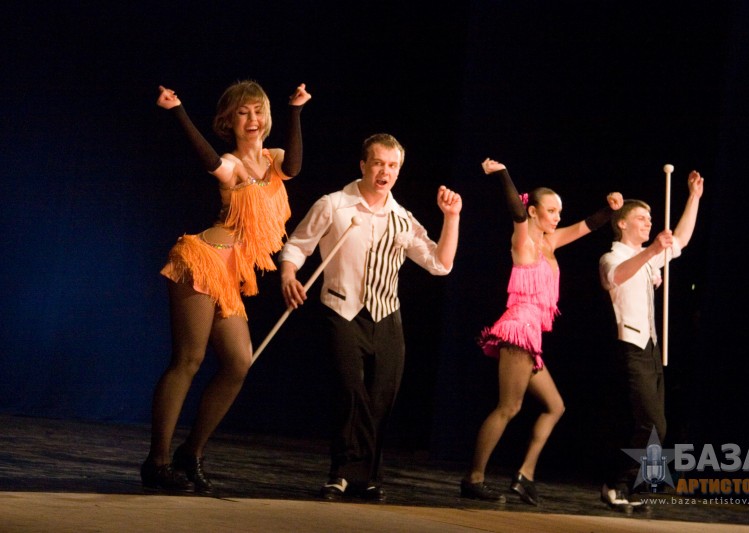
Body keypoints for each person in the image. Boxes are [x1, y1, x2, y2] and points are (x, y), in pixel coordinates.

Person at [141, 80, 312, 493]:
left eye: (257, 110)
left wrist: (295, 110)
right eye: (242, 112)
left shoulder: (275, 159)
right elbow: (208, 159)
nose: (251, 119)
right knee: (189, 359)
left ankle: (191, 453)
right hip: (202, 260)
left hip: (230, 277)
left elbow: (294, 168)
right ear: (228, 121)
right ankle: (157, 461)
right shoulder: (232, 165)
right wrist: (178, 111)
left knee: (239, 363)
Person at [279, 133, 462, 501]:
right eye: (378, 163)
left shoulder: (402, 218)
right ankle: (341, 473)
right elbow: (298, 245)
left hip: (386, 315)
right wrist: (287, 275)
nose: (385, 171)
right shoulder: (334, 205)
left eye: (392, 166)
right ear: (363, 165)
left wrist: (451, 217)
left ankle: (366, 477)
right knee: (350, 391)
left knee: (381, 398)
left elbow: (440, 264)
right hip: (341, 308)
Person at [461, 158, 623, 505]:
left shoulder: (551, 242)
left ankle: (525, 475)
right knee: (509, 407)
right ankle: (473, 478)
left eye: (559, 211)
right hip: (519, 328)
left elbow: (587, 226)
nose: (557, 217)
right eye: (550, 211)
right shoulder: (524, 241)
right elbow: (516, 212)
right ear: (532, 212)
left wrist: (610, 210)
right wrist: (503, 173)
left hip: (531, 335)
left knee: (555, 406)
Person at [598, 170, 703, 509]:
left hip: (651, 348)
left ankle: (623, 484)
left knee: (657, 427)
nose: (648, 222)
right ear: (622, 224)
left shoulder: (646, 259)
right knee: (651, 423)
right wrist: (652, 250)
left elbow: (681, 240)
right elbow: (616, 276)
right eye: (641, 218)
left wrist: (694, 197)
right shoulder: (612, 256)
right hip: (631, 346)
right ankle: (616, 483)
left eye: (650, 218)